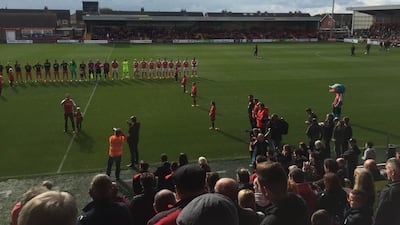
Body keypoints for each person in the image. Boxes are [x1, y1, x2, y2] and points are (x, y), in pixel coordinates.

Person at [374, 158, 400, 225]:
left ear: (393, 172)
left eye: (387, 169)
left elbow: (379, 216)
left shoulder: (388, 192)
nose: (386, 172)